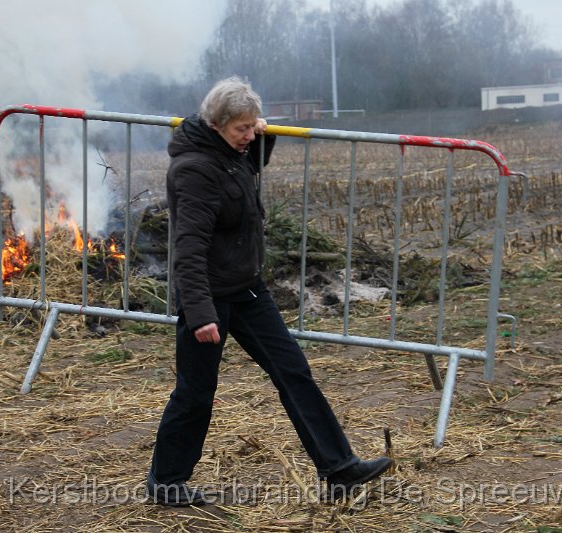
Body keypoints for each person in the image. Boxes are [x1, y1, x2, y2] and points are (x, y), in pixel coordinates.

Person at [146, 77, 392, 507]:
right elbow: (188, 249)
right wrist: (201, 313)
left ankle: (339, 469)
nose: (250, 136)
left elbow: (249, 165)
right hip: (208, 297)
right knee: (196, 392)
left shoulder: (230, 154)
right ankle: (166, 481)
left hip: (247, 290)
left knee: (293, 372)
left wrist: (261, 131)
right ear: (216, 124)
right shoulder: (195, 171)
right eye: (242, 128)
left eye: (252, 127)